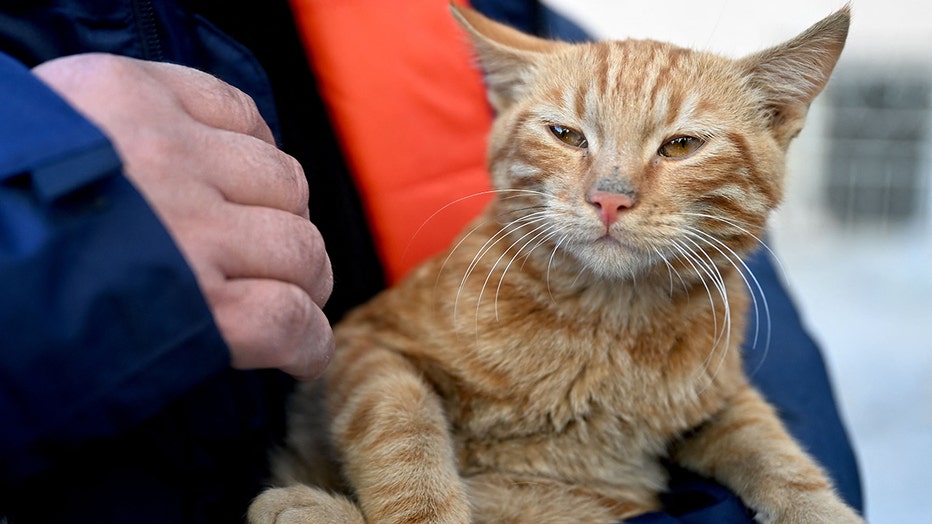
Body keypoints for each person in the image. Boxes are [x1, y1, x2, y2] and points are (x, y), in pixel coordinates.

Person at [0, 0, 863, 522]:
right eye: (567, 137)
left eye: (677, 145)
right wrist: (53, 218)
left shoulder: (522, 25)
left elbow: (752, 402)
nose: (613, 192)